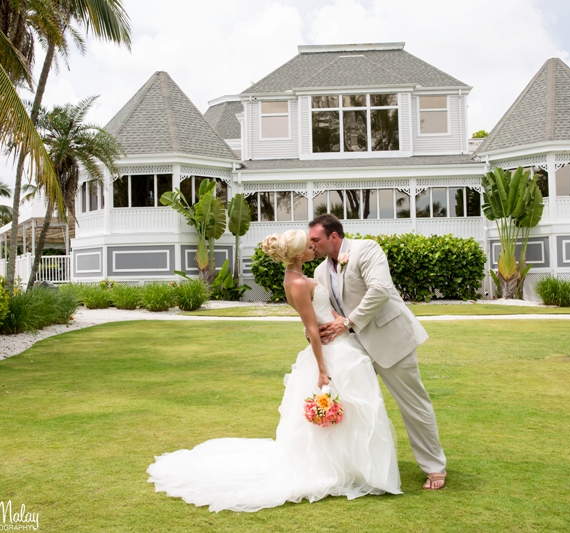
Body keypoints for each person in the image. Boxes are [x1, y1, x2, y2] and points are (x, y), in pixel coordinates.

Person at [146, 229, 401, 512]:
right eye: (308, 246)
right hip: (330, 351)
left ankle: (351, 466)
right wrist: (322, 370)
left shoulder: (297, 278)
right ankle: (345, 469)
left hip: (339, 343)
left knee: (352, 411)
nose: (313, 249)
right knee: (349, 409)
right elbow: (312, 330)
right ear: (297, 255)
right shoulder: (299, 284)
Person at [309, 213, 447, 490]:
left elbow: (381, 290)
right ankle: (356, 468)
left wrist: (348, 322)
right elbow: (328, 310)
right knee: (354, 408)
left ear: (334, 236)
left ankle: (435, 468)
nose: (311, 245)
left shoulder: (366, 249)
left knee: (413, 404)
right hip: (352, 348)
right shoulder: (319, 272)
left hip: (390, 339)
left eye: (316, 240)